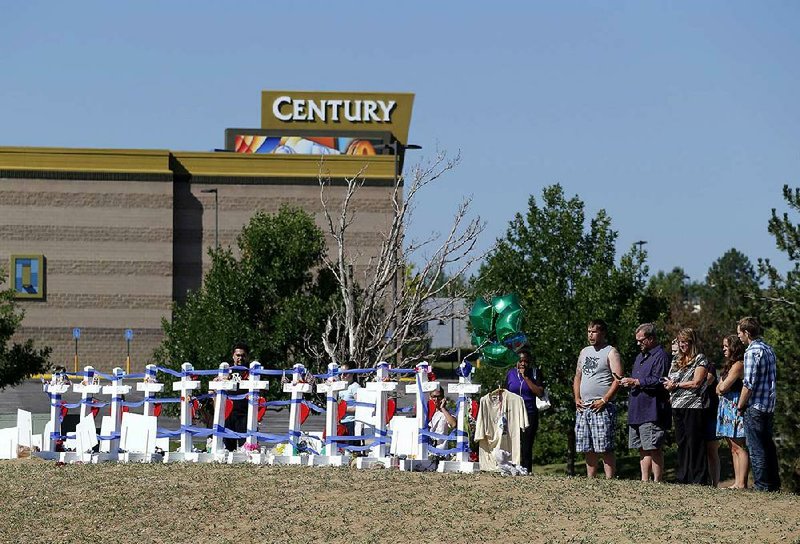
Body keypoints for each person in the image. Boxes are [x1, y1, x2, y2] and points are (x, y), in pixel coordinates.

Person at [619, 323, 670, 482]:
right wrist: (629, 382)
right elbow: (638, 380)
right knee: (642, 447)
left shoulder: (660, 356)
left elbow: (658, 380)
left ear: (651, 338)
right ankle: (645, 480)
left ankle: (657, 481)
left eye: (641, 340)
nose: (638, 343)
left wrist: (636, 382)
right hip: (637, 409)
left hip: (652, 410)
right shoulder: (640, 357)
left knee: (653, 447)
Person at [573, 319, 623, 479]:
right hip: (583, 406)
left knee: (604, 446)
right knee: (587, 446)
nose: (590, 335)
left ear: (602, 333)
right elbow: (577, 376)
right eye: (589, 331)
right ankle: (591, 479)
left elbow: (618, 379)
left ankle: (610, 479)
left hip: (602, 406)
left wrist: (605, 399)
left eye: (594, 332)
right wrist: (576, 397)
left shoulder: (611, 352)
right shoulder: (584, 351)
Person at [736, 317, 781, 492]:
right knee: (768, 446)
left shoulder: (751, 352)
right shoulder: (769, 349)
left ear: (747, 333)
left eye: (740, 332)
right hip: (768, 405)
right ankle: (773, 483)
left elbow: (748, 384)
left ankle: (762, 485)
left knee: (756, 448)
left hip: (755, 406)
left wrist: (740, 405)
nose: (738, 336)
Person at [664, 328, 710, 485]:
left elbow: (696, 382)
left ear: (692, 342)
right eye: (680, 342)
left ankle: (699, 478)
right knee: (682, 442)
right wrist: (669, 384)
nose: (682, 345)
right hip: (677, 404)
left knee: (694, 442)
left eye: (685, 342)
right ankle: (683, 476)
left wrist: (676, 384)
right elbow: (671, 378)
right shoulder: (676, 359)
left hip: (693, 405)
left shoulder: (700, 359)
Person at [716, 334, 749, 489]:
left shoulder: (738, 364)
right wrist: (721, 387)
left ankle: (742, 483)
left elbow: (722, 387)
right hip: (726, 406)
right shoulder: (729, 365)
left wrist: (722, 387)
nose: (723, 349)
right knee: (732, 446)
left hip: (735, 406)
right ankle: (736, 482)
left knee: (739, 446)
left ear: (733, 347)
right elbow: (718, 389)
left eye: (726, 346)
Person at [505, 349, 545, 473]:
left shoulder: (535, 373)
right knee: (513, 443)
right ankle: (512, 468)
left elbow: (539, 392)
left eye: (525, 361)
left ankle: (526, 470)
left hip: (529, 413)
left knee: (526, 445)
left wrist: (526, 378)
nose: (522, 364)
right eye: (520, 361)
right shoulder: (510, 374)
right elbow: (506, 392)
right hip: (513, 413)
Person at [223, 342, 250, 451]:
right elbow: (215, 383)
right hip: (229, 411)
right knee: (228, 447)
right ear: (233, 356)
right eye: (238, 355)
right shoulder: (227, 370)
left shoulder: (251, 371)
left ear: (247, 356)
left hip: (244, 411)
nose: (240, 358)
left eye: (243, 355)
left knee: (245, 446)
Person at [428, 386, 457, 450]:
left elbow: (453, 424)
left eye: (439, 396)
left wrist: (443, 408)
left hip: (440, 449)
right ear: (430, 397)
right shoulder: (426, 410)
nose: (436, 399)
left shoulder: (447, 412)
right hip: (426, 447)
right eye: (434, 396)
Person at [338, 362, 361, 436]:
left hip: (352, 423)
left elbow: (361, 407)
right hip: (341, 422)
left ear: (352, 373)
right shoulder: (341, 387)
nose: (342, 376)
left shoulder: (355, 387)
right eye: (340, 374)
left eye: (345, 374)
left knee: (351, 446)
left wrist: (344, 409)